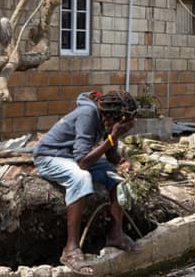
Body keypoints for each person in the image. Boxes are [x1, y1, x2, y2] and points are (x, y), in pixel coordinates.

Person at [32, 90, 141, 275]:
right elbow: (83, 162)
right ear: (110, 116)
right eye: (121, 123)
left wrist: (123, 163)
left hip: (71, 158)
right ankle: (70, 249)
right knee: (81, 178)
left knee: (117, 179)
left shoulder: (108, 122)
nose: (122, 127)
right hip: (49, 157)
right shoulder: (88, 114)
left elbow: (111, 154)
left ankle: (115, 234)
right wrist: (112, 137)